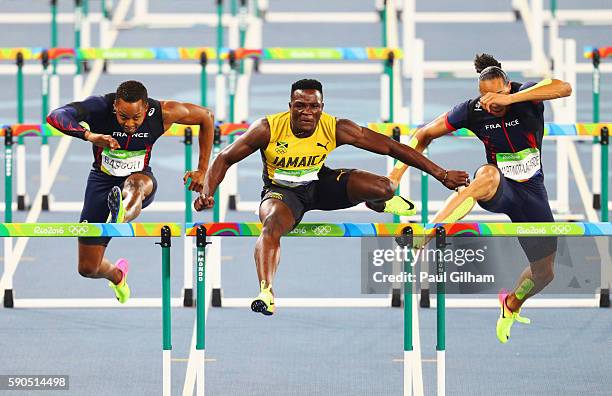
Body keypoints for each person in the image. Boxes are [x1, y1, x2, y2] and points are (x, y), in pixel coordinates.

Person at [193, 78, 470, 315]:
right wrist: (208, 192)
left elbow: (390, 147)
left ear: (322, 108)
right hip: (283, 194)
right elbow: (225, 157)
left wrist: (440, 173)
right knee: (271, 226)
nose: (307, 112)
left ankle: (376, 202)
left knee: (385, 187)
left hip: (320, 184)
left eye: (313, 106)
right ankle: (266, 292)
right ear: (290, 106)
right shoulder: (268, 128)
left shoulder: (336, 127)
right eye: (300, 106)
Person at [388, 54, 572, 343]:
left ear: (508, 86)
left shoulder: (526, 94)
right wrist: (395, 176)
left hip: (533, 193)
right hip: (500, 189)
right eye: (484, 97)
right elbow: (423, 135)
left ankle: (511, 303)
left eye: (495, 95)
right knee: (486, 174)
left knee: (544, 273)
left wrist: (510, 101)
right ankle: (427, 233)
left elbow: (564, 87)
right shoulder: (472, 111)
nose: (489, 103)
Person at [47, 80, 214, 303]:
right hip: (101, 181)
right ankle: (117, 275)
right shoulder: (100, 107)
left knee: (133, 188)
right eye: (123, 117)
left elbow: (206, 117)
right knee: (88, 267)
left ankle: (121, 214)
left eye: (136, 117)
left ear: (146, 108)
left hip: (141, 178)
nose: (130, 124)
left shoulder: (163, 112)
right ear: (115, 106)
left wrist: (203, 169)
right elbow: (56, 115)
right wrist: (90, 136)